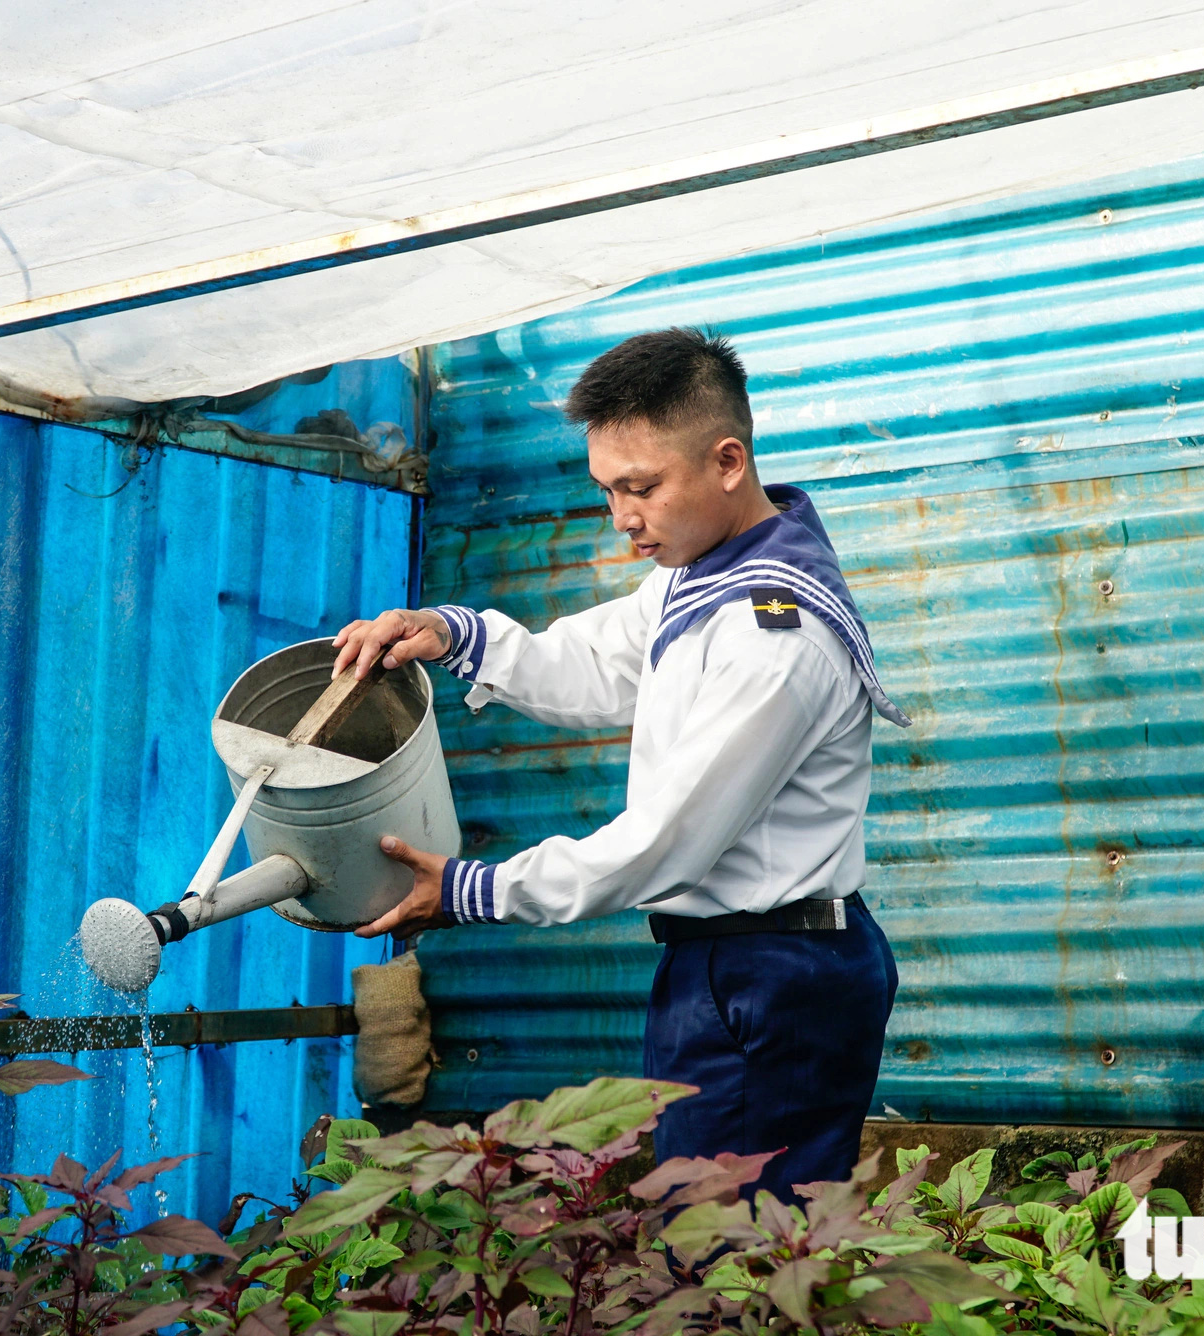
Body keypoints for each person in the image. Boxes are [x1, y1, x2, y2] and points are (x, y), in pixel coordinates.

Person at [330, 327, 909, 1198]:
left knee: (737, 1255)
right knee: (704, 1243)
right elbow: (595, 665)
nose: (623, 518)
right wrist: (452, 635)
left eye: (642, 488)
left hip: (775, 977)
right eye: (607, 490)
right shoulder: (699, 574)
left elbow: (660, 846)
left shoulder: (772, 635)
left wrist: (468, 891)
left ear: (726, 461)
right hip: (723, 962)